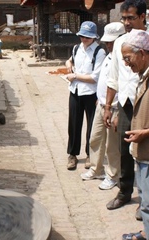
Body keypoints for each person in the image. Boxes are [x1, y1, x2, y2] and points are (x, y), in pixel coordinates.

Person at [103, 0, 147, 214]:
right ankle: (124, 192)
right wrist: (108, 107)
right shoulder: (120, 42)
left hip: (146, 103)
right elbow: (114, 78)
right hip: (126, 103)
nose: (127, 22)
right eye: (124, 18)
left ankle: (145, 201)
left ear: (142, 17)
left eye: (131, 18)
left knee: (145, 152)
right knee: (125, 151)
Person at [81, 22, 125, 190]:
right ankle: (96, 168)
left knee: (112, 146)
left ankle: (113, 175)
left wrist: (113, 107)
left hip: (114, 108)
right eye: (106, 42)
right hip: (101, 105)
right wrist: (100, 99)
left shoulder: (123, 59)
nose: (108, 45)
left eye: (111, 42)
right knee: (95, 138)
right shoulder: (108, 56)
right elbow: (103, 80)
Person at [65, 21, 106, 170]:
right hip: (75, 91)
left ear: (94, 37)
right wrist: (68, 64)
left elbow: (95, 77)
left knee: (91, 125)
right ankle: (72, 154)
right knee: (74, 124)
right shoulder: (77, 48)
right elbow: (71, 60)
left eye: (87, 37)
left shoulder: (99, 52)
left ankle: (90, 154)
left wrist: (75, 76)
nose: (84, 39)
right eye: (82, 36)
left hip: (91, 93)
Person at [120, 29, 149, 240]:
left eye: (128, 58)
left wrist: (145, 132)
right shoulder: (143, 76)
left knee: (148, 203)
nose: (126, 63)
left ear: (143, 54)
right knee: (146, 200)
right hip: (142, 152)